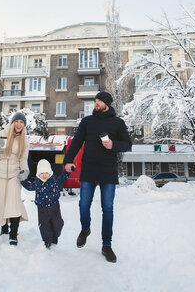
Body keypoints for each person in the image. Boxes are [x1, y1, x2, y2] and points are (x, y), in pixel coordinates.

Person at [63, 91, 132, 263]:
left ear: (107, 103)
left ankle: (106, 245)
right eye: (95, 101)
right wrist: (68, 161)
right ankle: (85, 229)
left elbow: (128, 144)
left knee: (107, 208)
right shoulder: (87, 122)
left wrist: (113, 145)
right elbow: (77, 142)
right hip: (89, 169)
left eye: (99, 101)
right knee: (83, 204)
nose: (96, 103)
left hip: (108, 171)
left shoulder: (118, 123)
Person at [0, 112, 29, 246]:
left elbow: (23, 159)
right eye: (17, 121)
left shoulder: (24, 139)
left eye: (22, 122)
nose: (19, 125)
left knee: (13, 202)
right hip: (0, 173)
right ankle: (3, 227)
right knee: (1, 202)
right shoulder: (2, 133)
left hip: (14, 174)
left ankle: (13, 235)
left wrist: (24, 171)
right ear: (12, 122)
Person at [20, 159, 70, 249]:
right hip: (42, 208)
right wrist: (22, 179)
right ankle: (47, 241)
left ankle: (55, 235)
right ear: (38, 174)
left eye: (46, 173)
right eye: (41, 173)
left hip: (54, 206)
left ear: (50, 172)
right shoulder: (37, 183)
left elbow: (62, 178)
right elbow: (29, 186)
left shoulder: (54, 181)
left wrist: (67, 171)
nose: (44, 175)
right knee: (44, 225)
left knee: (57, 223)